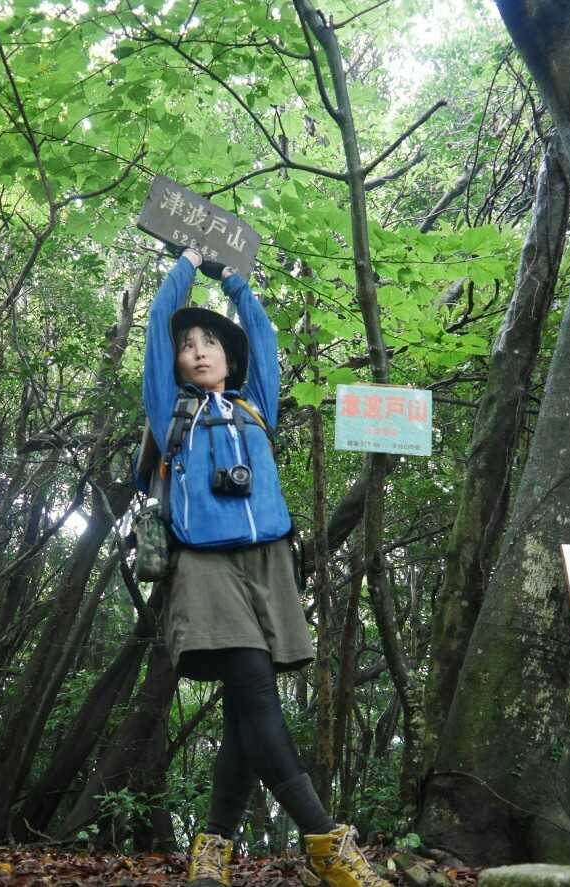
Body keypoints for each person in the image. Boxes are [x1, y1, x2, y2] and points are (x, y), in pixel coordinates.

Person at [140, 246, 390, 887]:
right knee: (254, 688)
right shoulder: (170, 408)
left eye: (210, 344)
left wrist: (234, 281)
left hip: (271, 559)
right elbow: (158, 324)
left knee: (243, 710)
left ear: (230, 359)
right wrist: (186, 265)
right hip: (203, 561)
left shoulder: (255, 407)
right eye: (187, 345)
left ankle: (213, 849)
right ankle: (325, 841)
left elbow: (265, 336)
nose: (198, 352)